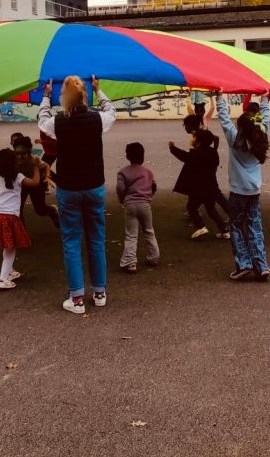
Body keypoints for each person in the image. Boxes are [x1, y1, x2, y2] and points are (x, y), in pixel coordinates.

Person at [38, 75, 115, 315]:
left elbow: (42, 120)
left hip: (69, 188)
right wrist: (99, 91)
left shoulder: (58, 122)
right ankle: (100, 293)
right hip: (94, 186)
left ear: (64, 97)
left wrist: (46, 96)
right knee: (96, 239)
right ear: (85, 96)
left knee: (71, 241)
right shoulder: (97, 119)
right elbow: (111, 112)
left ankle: (77, 298)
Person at [216, 94, 270, 281]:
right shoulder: (261, 137)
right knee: (255, 225)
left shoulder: (235, 140)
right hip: (254, 190)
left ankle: (244, 264)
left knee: (236, 226)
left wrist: (219, 97)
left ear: (240, 127)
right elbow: (265, 119)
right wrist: (265, 100)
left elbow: (224, 120)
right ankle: (261, 265)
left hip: (238, 191)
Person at [0, 148, 42, 289]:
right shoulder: (18, 176)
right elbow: (35, 183)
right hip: (10, 217)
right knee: (11, 249)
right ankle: (3, 279)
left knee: (7, 246)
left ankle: (10, 271)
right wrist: (36, 167)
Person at [170, 129, 229, 240]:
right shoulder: (213, 153)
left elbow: (184, 156)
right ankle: (224, 230)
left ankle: (201, 226)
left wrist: (173, 148)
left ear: (199, 142)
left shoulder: (196, 154)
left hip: (198, 189)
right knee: (211, 210)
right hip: (211, 188)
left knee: (191, 207)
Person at [116, 142, 160, 272]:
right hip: (145, 204)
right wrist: (149, 197)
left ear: (128, 156)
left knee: (131, 235)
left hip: (130, 204)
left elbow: (120, 188)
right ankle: (154, 257)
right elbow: (153, 187)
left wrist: (122, 199)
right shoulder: (148, 172)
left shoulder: (123, 172)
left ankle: (130, 262)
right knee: (149, 231)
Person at [13, 135, 60, 228]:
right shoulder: (13, 160)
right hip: (22, 184)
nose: (19, 156)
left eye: (23, 154)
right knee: (17, 209)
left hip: (37, 184)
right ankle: (22, 234)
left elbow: (46, 166)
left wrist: (48, 178)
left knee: (40, 210)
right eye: (17, 153)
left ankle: (53, 211)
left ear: (29, 152)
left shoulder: (34, 160)